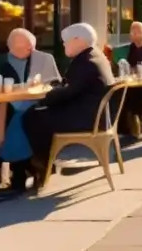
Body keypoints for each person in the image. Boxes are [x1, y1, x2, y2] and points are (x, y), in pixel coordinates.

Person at [22, 23, 114, 187]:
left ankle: (41, 166)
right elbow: (72, 87)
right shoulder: (94, 56)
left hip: (86, 118)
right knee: (38, 114)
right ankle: (45, 163)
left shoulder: (87, 61)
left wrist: (45, 97)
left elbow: (69, 91)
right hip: (92, 114)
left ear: (78, 40)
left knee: (31, 117)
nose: (63, 44)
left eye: (66, 41)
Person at [0, 28, 62, 189]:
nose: (30, 50)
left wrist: (39, 86)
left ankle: (22, 171)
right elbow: (0, 87)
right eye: (23, 47)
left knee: (21, 119)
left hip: (41, 103)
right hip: (11, 103)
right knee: (14, 117)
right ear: (10, 48)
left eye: (31, 46)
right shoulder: (4, 63)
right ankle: (24, 169)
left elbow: (55, 84)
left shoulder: (44, 58)